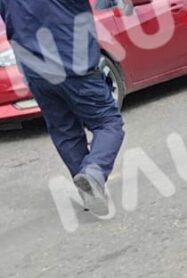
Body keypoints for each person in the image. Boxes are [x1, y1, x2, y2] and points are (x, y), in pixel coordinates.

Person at [0, 0, 124, 216]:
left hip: (37, 74)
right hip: (75, 67)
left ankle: (90, 190)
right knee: (108, 123)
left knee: (65, 131)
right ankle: (93, 173)